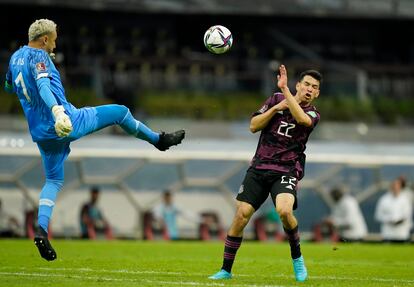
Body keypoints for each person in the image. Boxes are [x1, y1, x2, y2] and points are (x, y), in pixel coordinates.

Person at [4, 19, 185, 261]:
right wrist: (57, 111)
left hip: (40, 133)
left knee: (54, 180)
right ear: (45, 39)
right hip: (66, 121)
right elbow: (43, 84)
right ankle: (158, 140)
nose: (55, 44)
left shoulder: (14, 58)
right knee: (120, 112)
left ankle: (41, 231)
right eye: (54, 39)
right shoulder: (40, 57)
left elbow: (8, 86)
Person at [209, 64, 322, 282]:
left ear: (317, 93)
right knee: (241, 215)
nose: (309, 89)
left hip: (286, 170)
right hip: (260, 167)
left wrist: (287, 93)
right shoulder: (275, 99)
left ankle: (298, 260)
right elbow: (253, 126)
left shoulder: (313, 113)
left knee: (284, 211)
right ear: (299, 84)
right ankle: (225, 270)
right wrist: (275, 108)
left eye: (314, 87)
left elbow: (301, 120)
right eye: (306, 84)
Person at [375, 178, 413, 242]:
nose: (395, 187)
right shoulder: (384, 199)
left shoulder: (405, 199)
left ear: (400, 187)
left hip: (402, 233)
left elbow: (407, 214)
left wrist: (398, 221)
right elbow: (378, 215)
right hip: (388, 233)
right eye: (394, 185)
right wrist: (389, 220)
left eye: (397, 185)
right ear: (391, 187)